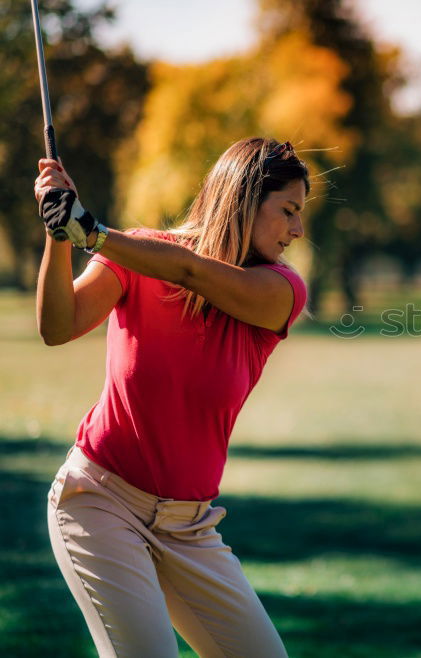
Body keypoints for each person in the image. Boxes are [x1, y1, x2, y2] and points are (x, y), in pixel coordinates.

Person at [34, 137, 310, 657]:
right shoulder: (135, 253)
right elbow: (57, 326)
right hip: (99, 503)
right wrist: (61, 233)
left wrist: (92, 231)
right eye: (288, 211)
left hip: (190, 528)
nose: (298, 230)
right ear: (245, 199)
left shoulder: (281, 291)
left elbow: (189, 272)